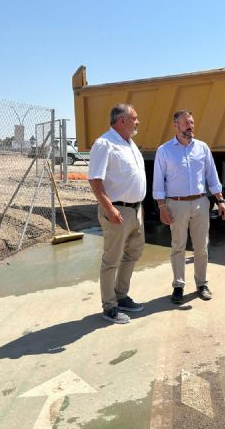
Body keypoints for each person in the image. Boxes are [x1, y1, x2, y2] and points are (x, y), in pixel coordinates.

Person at [153, 110, 225, 304]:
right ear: (175, 125)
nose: (190, 126)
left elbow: (212, 176)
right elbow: (158, 182)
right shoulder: (164, 150)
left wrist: (220, 200)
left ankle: (202, 284)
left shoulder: (202, 148)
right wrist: (161, 206)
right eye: (186, 123)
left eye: (192, 123)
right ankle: (178, 286)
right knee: (178, 247)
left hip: (200, 203)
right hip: (176, 204)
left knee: (201, 247)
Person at [88, 103, 146, 324]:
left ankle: (121, 296)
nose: (137, 122)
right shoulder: (105, 144)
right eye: (135, 118)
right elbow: (95, 180)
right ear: (122, 120)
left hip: (135, 210)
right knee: (111, 259)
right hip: (117, 211)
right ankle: (109, 306)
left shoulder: (129, 144)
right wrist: (109, 208)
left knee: (133, 253)